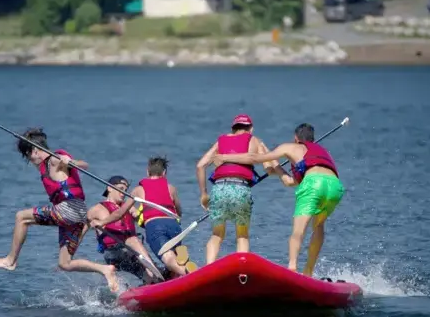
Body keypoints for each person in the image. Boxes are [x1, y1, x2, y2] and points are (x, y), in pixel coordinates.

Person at [0, 128, 119, 292]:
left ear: (35, 150)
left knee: (21, 217)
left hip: (69, 210)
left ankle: (11, 260)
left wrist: (69, 162)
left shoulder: (55, 159)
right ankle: (105, 270)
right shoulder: (42, 165)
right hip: (77, 214)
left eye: (28, 155)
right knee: (64, 263)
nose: (29, 159)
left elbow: (84, 164)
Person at [213, 123, 344, 276]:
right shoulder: (323, 152)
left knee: (298, 231)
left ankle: (292, 268)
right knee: (319, 226)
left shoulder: (290, 147)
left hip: (313, 182)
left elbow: (253, 158)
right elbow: (289, 181)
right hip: (335, 186)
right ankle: (308, 272)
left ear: (296, 138)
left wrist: (224, 157)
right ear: (312, 139)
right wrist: (277, 166)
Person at [90, 156, 198, 278]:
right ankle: (180, 262)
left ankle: (190, 274)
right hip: (174, 226)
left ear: (147, 172)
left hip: (155, 226)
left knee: (168, 259)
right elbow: (179, 212)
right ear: (164, 173)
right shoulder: (171, 188)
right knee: (173, 261)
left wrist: (102, 221)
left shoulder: (138, 190)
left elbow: (119, 213)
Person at [196, 114, 277, 264]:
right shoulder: (254, 140)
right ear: (251, 129)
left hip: (219, 189)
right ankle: (242, 271)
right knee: (242, 235)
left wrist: (203, 194)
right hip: (240, 188)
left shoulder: (220, 141)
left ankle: (209, 268)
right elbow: (269, 168)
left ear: (233, 129)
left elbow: (200, 165)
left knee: (217, 235)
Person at [87, 175, 161, 285]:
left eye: (125, 190)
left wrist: (148, 212)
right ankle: (158, 273)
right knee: (133, 240)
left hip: (131, 252)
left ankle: (151, 284)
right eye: (120, 189)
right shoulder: (96, 209)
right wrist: (68, 255)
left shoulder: (128, 207)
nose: (123, 193)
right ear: (110, 188)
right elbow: (80, 228)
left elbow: (143, 220)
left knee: (150, 278)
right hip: (114, 253)